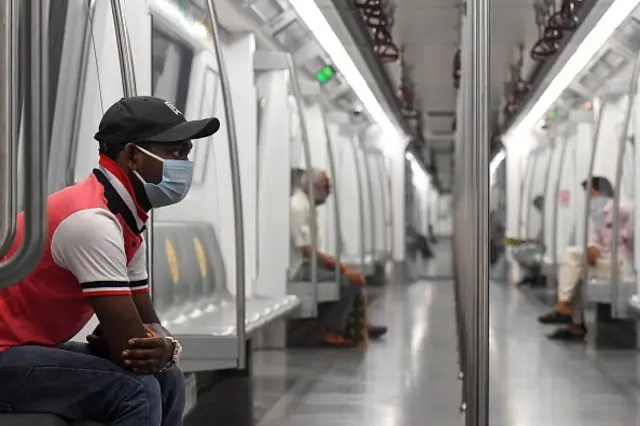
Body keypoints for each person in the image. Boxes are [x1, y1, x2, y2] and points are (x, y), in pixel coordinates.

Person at [0, 96, 221, 425]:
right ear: (132, 155)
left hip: (27, 349)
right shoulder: (91, 221)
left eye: (187, 152)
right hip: (7, 355)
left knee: (168, 378)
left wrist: (163, 347)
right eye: (175, 152)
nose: (184, 164)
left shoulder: (125, 218)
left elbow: (147, 322)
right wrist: (163, 346)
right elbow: (129, 345)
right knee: (136, 389)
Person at [290, 169, 388, 347]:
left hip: (307, 264)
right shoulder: (298, 207)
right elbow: (307, 250)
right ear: (312, 187)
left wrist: (341, 267)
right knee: (345, 280)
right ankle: (329, 330)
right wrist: (341, 268)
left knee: (352, 276)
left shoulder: (307, 206)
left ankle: (358, 325)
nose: (329, 192)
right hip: (297, 268)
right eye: (325, 187)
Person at [538, 176, 632, 341]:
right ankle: (574, 322)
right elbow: (594, 240)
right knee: (574, 271)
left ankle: (565, 309)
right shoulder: (596, 217)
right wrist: (592, 248)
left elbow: (631, 215)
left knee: (571, 256)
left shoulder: (621, 209)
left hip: (620, 263)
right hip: (605, 262)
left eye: (591, 193)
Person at [514, 195, 546, 286]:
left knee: (519, 252)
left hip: (543, 247)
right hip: (540, 244)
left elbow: (541, 239)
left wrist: (531, 241)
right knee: (517, 250)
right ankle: (531, 275)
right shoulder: (545, 218)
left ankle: (533, 276)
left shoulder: (548, 218)